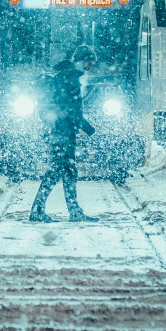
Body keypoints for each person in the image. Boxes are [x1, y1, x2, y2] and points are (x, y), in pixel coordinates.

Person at [30, 44, 98, 224]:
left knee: (68, 171)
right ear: (82, 60)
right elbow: (71, 110)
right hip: (63, 132)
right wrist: (88, 128)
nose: (89, 67)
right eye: (89, 63)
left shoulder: (65, 75)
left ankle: (74, 211)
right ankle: (38, 210)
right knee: (56, 171)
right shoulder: (69, 78)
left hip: (61, 131)